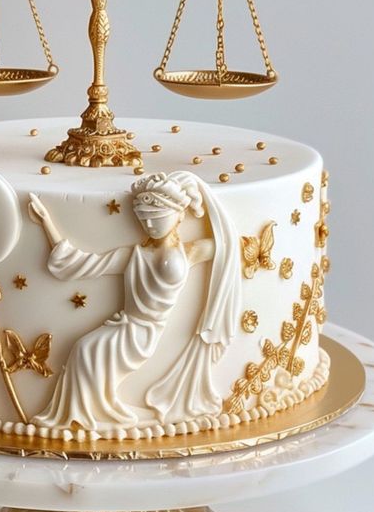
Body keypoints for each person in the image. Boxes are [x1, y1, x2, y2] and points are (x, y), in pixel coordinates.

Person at [27, 171, 241, 432]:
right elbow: (80, 263)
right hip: (125, 325)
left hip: (144, 332)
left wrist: (200, 191)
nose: (150, 226)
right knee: (83, 349)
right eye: (144, 219)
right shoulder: (133, 255)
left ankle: (90, 414)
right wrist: (46, 220)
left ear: (178, 214)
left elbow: (228, 244)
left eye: (157, 218)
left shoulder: (189, 252)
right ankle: (82, 416)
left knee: (87, 350)